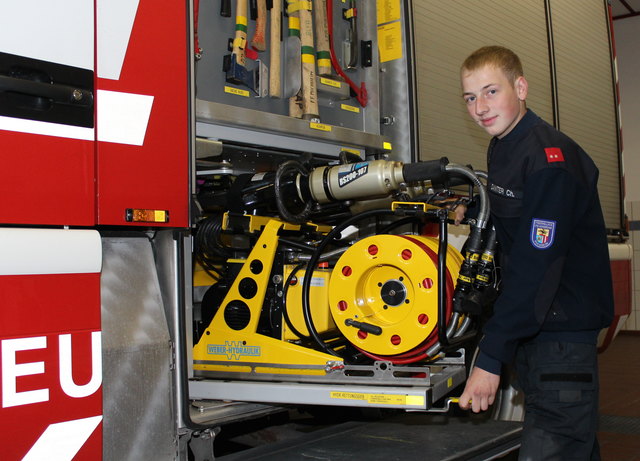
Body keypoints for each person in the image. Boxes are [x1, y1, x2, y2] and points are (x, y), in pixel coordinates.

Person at [457, 46, 614, 460]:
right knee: (573, 446)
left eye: (491, 92)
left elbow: (537, 265)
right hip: (538, 331)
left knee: (555, 446)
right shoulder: (505, 143)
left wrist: (491, 356)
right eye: (470, 97)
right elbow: (516, 213)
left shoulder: (549, 160)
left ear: (521, 87)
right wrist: (472, 205)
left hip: (561, 336)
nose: (480, 107)